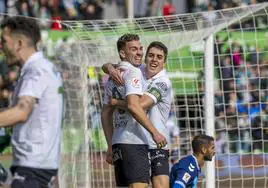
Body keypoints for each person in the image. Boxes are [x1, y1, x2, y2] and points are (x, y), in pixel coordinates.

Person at [0, 16, 63, 187]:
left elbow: (21, 112)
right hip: (34, 167)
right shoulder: (39, 68)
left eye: (4, 41)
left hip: (33, 168)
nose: (1, 46)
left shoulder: (37, 70)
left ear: (19, 43)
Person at [101, 34, 167, 188]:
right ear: (123, 53)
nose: (139, 52)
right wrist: (154, 132)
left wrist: (110, 145)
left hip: (118, 142)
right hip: (134, 142)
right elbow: (134, 106)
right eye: (133, 49)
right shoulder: (134, 72)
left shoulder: (114, 75)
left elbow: (105, 114)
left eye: (140, 49)